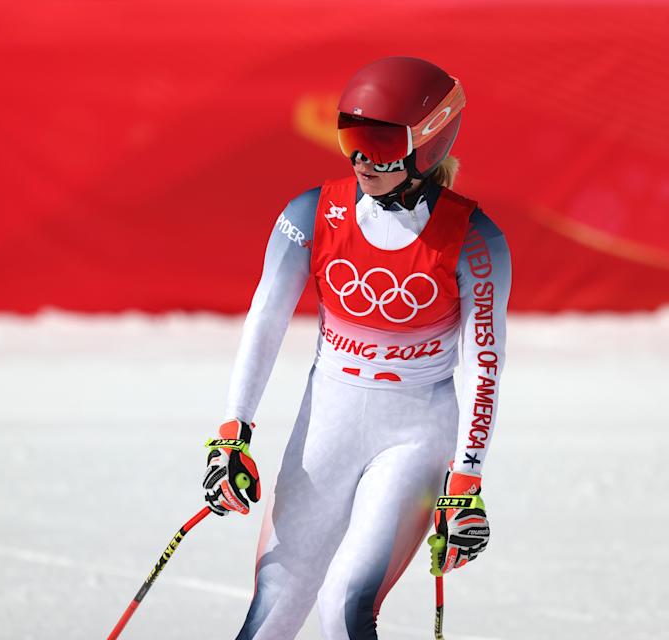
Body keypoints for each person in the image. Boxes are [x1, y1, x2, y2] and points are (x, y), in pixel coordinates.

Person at [202, 56, 511, 640]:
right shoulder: (311, 213)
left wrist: (466, 480)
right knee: (274, 606)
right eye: (351, 136)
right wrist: (232, 432)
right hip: (328, 424)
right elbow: (263, 321)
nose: (362, 158)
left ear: (428, 142)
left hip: (415, 435)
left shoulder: (474, 239)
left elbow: (483, 364)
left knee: (345, 604)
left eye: (379, 140)